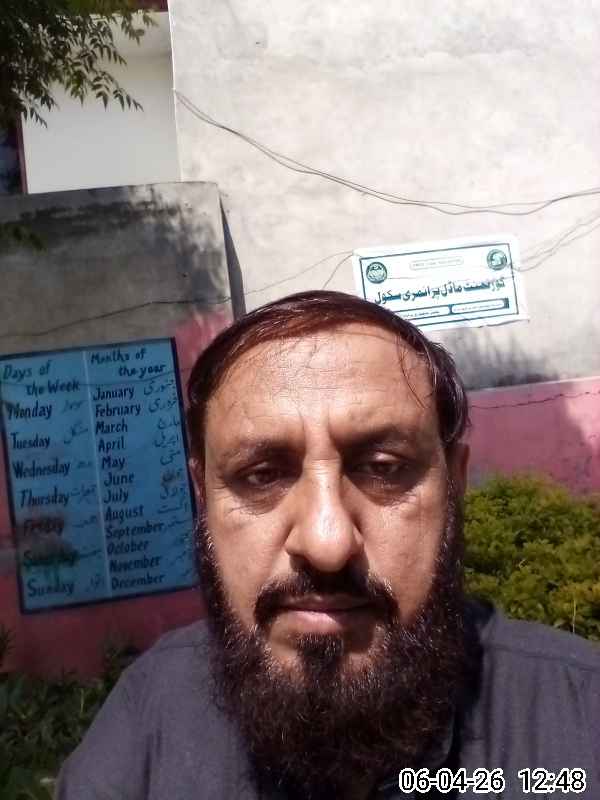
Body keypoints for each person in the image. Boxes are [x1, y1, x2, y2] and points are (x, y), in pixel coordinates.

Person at [56, 290, 600, 800]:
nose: (327, 543)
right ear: (204, 495)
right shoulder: (147, 722)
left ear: (454, 484)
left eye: (383, 468)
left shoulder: (580, 717)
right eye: (262, 475)